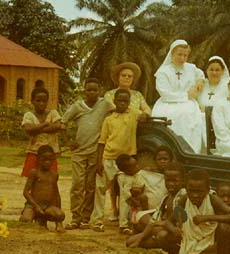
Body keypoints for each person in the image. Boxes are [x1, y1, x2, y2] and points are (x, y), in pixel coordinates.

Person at [94, 89, 148, 232]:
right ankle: (97, 221)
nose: (123, 103)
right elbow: (101, 142)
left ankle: (123, 224)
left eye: (126, 101)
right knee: (101, 189)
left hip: (126, 163)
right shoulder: (109, 119)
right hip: (109, 159)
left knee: (126, 193)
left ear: (129, 102)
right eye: (120, 100)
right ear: (115, 101)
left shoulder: (134, 114)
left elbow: (146, 114)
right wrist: (99, 161)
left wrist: (145, 115)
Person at [62, 78, 112, 230]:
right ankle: (75, 217)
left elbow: (119, 110)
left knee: (91, 186)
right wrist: (68, 141)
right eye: (89, 90)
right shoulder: (78, 106)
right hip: (79, 152)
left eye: (95, 90)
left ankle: (85, 218)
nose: (92, 93)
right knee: (77, 185)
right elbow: (62, 122)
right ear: (84, 91)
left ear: (99, 91)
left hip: (94, 152)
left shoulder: (105, 104)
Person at [173, 169, 230, 254]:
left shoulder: (212, 199)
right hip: (190, 239)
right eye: (191, 191)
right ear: (186, 189)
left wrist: (207, 218)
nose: (195, 195)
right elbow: (170, 220)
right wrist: (174, 229)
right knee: (164, 235)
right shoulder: (184, 199)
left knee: (224, 228)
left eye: (199, 191)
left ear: (207, 190)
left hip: (210, 237)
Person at [126, 161, 186, 254]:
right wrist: (141, 237)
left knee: (160, 234)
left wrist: (160, 225)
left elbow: (181, 224)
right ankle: (155, 239)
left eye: (175, 181)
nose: (171, 184)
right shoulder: (166, 198)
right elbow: (153, 220)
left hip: (179, 234)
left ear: (182, 180)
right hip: (164, 230)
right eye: (168, 180)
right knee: (130, 241)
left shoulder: (184, 196)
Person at [152, 39, 205, 153]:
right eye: (179, 54)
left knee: (193, 118)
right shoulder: (163, 72)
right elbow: (165, 94)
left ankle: (191, 152)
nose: (182, 58)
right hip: (168, 103)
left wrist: (200, 81)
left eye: (185, 55)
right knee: (177, 117)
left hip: (189, 103)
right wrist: (186, 95)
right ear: (172, 54)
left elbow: (200, 73)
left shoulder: (191, 67)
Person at [21, 145, 65, 233]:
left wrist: (59, 222)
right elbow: (26, 192)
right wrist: (36, 206)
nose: (47, 162)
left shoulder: (54, 175)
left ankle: (42, 219)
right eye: (44, 160)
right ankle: (35, 217)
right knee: (26, 219)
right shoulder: (34, 173)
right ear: (38, 159)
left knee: (60, 215)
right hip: (33, 205)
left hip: (47, 206)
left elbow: (56, 194)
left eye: (50, 160)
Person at [21, 87, 63, 177]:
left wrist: (36, 129)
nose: (41, 103)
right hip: (34, 152)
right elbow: (28, 129)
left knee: (50, 179)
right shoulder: (29, 115)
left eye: (44, 101)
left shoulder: (53, 113)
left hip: (50, 154)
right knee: (32, 178)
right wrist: (45, 124)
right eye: (38, 101)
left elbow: (58, 126)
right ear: (32, 101)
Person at [115, 154, 143, 234]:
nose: (137, 167)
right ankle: (123, 226)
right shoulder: (124, 178)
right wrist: (132, 199)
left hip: (134, 197)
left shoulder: (134, 175)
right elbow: (125, 192)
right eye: (134, 167)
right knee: (124, 211)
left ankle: (130, 225)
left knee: (132, 212)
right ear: (126, 171)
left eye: (136, 165)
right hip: (127, 199)